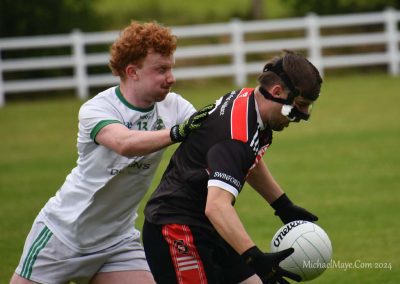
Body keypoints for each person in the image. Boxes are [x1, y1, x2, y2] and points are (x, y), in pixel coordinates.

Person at [10, 21, 213, 284]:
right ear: (133, 72)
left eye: (171, 68)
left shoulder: (174, 107)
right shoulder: (97, 109)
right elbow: (124, 143)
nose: (171, 78)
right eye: (161, 70)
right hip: (63, 235)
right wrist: (176, 133)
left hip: (116, 242)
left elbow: (215, 142)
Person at [142, 50, 323, 284]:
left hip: (207, 227)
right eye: (300, 105)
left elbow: (249, 160)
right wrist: (254, 257)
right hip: (177, 231)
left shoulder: (249, 102)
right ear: (277, 92)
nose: (304, 115)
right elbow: (216, 206)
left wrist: (282, 205)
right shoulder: (237, 137)